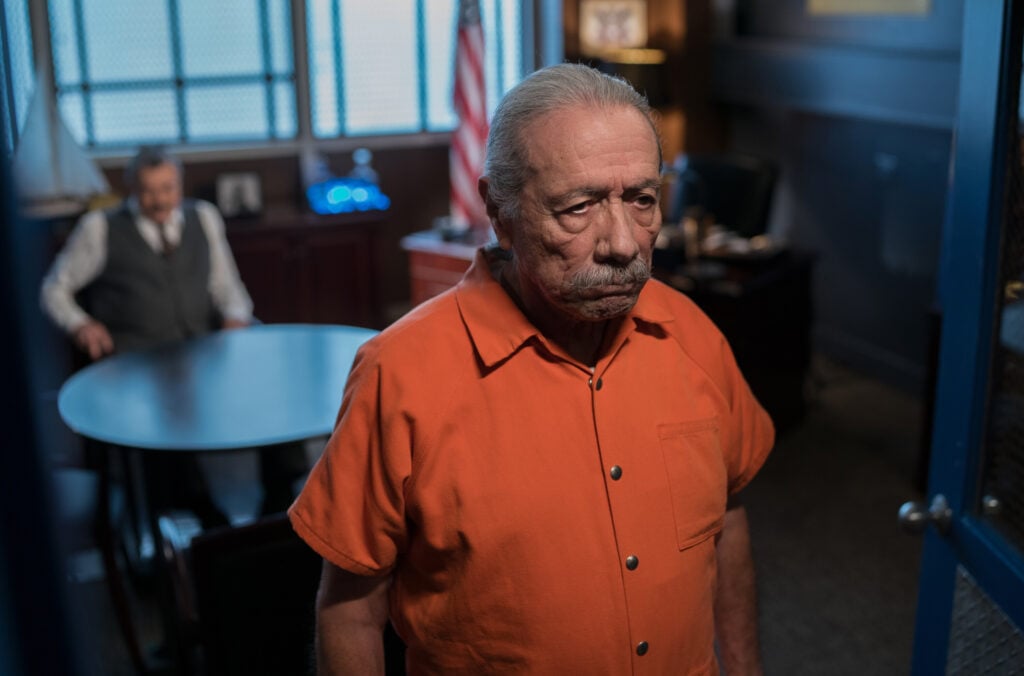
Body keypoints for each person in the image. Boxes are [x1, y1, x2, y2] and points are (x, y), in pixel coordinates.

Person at [289, 63, 775, 674]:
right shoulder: (399, 374)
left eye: (642, 200)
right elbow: (351, 613)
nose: (623, 242)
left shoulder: (694, 334)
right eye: (579, 207)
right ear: (500, 210)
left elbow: (726, 521)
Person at [40, 144, 254, 360]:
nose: (159, 201)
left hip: (203, 354)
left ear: (180, 184)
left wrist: (235, 317)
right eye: (148, 191)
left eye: (167, 188)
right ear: (132, 188)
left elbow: (227, 286)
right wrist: (79, 325)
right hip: (133, 362)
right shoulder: (98, 227)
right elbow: (54, 289)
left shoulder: (205, 216)